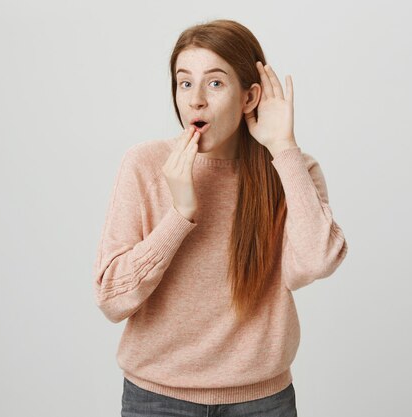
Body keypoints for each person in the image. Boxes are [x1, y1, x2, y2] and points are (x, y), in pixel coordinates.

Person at [93, 18, 348, 416]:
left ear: (249, 98)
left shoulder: (291, 170)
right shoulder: (144, 165)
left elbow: (315, 262)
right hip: (156, 401)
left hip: (262, 402)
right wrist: (179, 215)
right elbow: (112, 299)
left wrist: (283, 148)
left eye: (214, 83)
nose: (195, 99)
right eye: (184, 82)